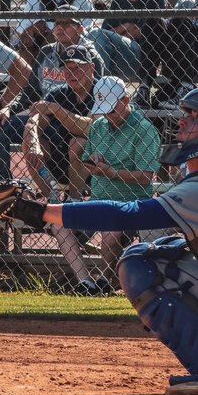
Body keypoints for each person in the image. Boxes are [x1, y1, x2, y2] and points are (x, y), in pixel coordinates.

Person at [8, 86, 198, 395]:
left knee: (141, 264)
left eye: (195, 116)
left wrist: (40, 212)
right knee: (167, 252)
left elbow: (128, 214)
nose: (182, 122)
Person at [51, 77, 161, 296]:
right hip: (98, 201)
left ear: (127, 100)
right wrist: (92, 162)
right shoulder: (99, 126)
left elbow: (147, 177)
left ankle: (104, 281)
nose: (108, 116)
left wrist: (111, 173)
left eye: (112, 109)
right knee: (58, 223)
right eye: (105, 110)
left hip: (130, 204)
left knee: (112, 230)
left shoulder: (145, 130)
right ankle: (86, 282)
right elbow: (87, 159)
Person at [0, 15, 106, 178]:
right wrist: (8, 109)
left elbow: (96, 91)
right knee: (3, 128)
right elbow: (31, 91)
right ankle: (8, 185)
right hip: (46, 116)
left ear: (80, 29)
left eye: (67, 23)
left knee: (75, 144)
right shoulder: (46, 51)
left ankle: (73, 191)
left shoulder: (92, 57)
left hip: (77, 118)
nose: (60, 27)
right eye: (57, 23)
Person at [21, 45, 97, 200]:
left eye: (78, 68)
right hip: (58, 164)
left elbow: (94, 130)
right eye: (67, 69)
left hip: (95, 166)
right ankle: (53, 199)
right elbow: (35, 118)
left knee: (78, 144)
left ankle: (73, 202)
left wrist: (56, 109)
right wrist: (34, 141)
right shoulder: (58, 93)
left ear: (91, 68)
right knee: (31, 141)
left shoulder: (102, 91)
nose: (72, 73)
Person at [101, 0, 166, 102]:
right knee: (97, 37)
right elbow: (104, 33)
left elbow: (149, 33)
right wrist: (127, 26)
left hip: (143, 56)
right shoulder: (118, 2)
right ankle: (100, 91)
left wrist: (118, 33)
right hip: (118, 55)